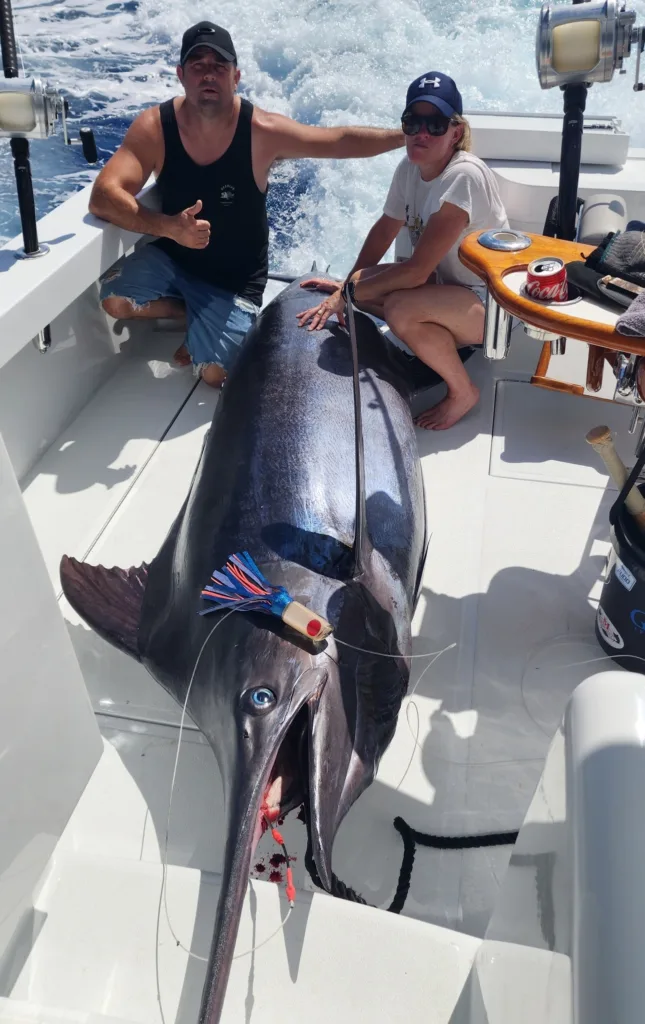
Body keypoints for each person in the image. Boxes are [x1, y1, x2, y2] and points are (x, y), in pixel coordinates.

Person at [90, 22, 406, 388]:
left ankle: (207, 318)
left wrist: (405, 137)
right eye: (197, 65)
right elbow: (104, 195)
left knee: (217, 377)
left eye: (219, 66)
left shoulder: (261, 131)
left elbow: (336, 141)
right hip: (173, 262)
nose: (209, 73)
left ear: (236, 77)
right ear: (180, 75)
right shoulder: (155, 127)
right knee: (114, 300)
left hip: (234, 282)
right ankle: (191, 314)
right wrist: (168, 228)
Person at [297, 72, 509, 430]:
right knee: (362, 293)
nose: (421, 133)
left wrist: (346, 294)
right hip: (445, 291)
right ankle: (430, 341)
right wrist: (347, 287)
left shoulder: (464, 176)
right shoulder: (408, 168)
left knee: (397, 307)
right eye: (413, 122)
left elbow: (415, 272)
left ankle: (463, 390)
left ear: (455, 132)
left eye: (435, 124)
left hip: (490, 307)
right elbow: (384, 231)